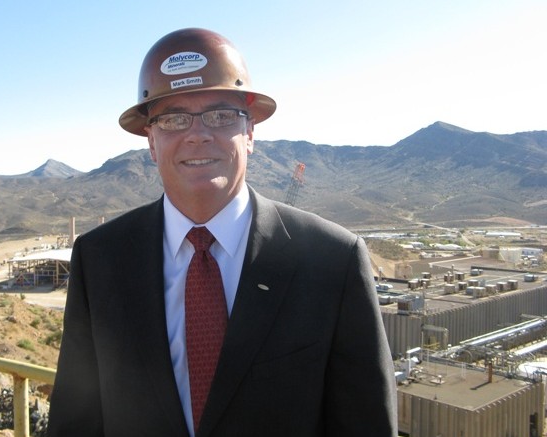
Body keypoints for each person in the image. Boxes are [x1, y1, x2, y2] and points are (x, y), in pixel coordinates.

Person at [48, 28, 397, 436]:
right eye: (175, 118)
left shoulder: (332, 261)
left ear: (249, 133)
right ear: (151, 142)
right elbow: (76, 421)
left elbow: (365, 425)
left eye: (221, 115)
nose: (198, 134)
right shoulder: (100, 259)